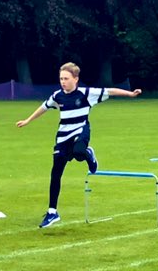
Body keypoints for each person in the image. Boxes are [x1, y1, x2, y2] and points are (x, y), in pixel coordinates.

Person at [17, 62, 142, 228]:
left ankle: (88, 153)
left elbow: (110, 91)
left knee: (79, 152)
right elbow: (43, 107)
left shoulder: (87, 93)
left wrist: (130, 94)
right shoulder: (57, 96)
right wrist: (27, 120)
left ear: (76, 79)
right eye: (61, 78)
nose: (63, 81)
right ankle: (52, 212)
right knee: (56, 173)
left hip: (81, 131)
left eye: (66, 78)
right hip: (63, 136)